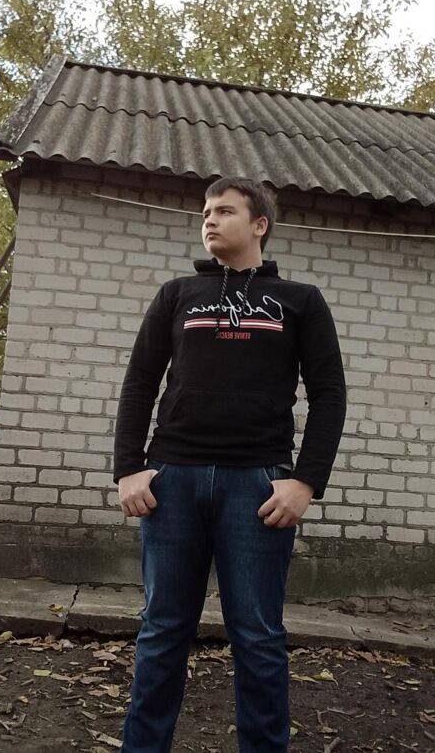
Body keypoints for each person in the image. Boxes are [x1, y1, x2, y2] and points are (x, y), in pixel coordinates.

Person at [114, 177, 347, 752]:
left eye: (224, 211)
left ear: (259, 224)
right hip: (172, 481)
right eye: (205, 213)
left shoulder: (300, 301)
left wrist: (305, 481)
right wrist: (128, 467)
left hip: (259, 487)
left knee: (259, 636)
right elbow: (140, 381)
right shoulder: (177, 294)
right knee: (162, 631)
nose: (209, 221)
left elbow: (329, 394)